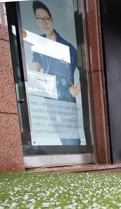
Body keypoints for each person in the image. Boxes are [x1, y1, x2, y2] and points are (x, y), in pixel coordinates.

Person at [32, 0, 81, 145]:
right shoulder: (38, 43)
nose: (44, 22)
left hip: (66, 100)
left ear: (52, 19)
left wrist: (75, 90)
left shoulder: (68, 47)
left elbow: (88, 71)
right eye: (39, 18)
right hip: (50, 100)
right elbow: (36, 70)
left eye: (46, 18)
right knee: (62, 139)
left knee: (72, 141)